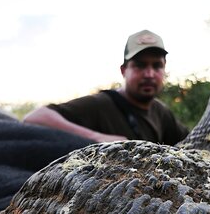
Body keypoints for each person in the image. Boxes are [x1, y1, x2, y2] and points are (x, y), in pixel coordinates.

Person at [24, 30, 189, 145]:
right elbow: (35, 118)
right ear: (124, 70)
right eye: (140, 65)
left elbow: (192, 144)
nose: (149, 74)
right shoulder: (101, 105)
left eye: (157, 66)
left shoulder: (161, 112)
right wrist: (96, 137)